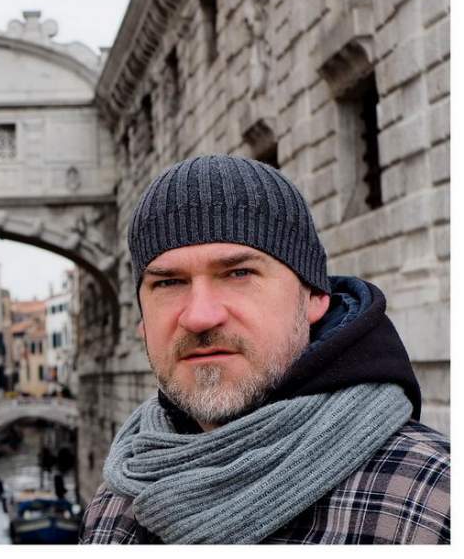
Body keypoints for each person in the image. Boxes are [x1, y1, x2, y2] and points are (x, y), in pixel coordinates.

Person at [80, 154, 449, 544]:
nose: (200, 316)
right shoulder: (114, 504)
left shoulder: (432, 505)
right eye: (169, 283)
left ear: (315, 296)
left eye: (239, 273)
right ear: (142, 320)